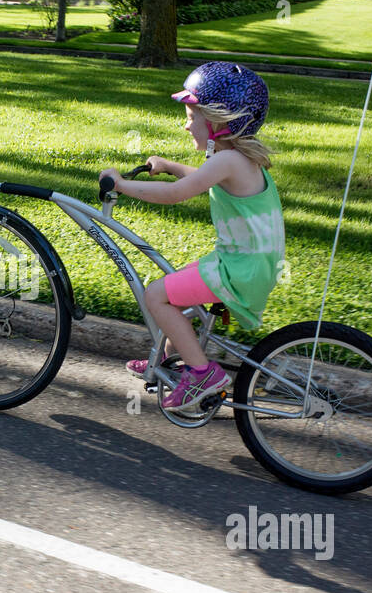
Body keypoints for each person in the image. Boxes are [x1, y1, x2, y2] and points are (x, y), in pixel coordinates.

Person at [99, 62, 284, 411]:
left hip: (239, 268)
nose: (186, 125)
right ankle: (169, 361)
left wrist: (121, 185)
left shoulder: (228, 161)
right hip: (247, 262)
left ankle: (202, 374)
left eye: (191, 116)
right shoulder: (239, 157)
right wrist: (168, 166)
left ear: (217, 121)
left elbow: (178, 194)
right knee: (176, 288)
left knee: (157, 296)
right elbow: (202, 177)